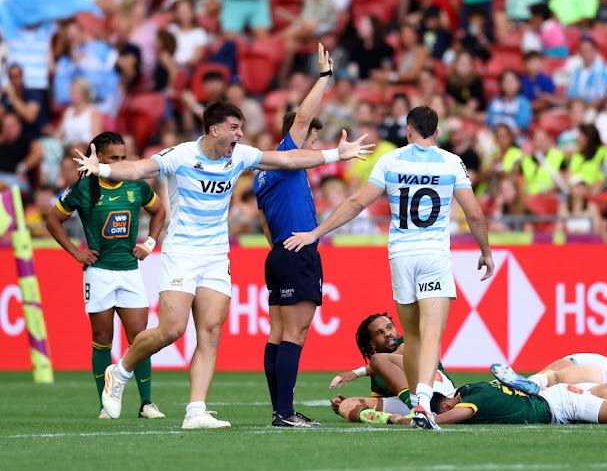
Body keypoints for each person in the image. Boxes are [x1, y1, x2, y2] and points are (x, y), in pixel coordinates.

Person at [76, 97, 373, 429]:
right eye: (234, 128)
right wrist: (100, 169)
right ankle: (119, 372)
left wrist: (337, 154)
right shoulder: (182, 155)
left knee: (211, 332)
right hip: (182, 252)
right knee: (171, 330)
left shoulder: (241, 156)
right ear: (214, 129)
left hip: (216, 254)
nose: (240, 134)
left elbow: (288, 159)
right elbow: (138, 168)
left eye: (242, 128)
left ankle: (196, 411)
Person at [283, 105, 494, 431]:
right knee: (431, 336)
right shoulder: (452, 162)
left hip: (401, 256)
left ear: (408, 130)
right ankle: (423, 406)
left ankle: (416, 403)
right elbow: (475, 215)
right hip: (434, 256)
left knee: (410, 335)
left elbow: (356, 203)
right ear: (437, 133)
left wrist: (314, 233)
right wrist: (485, 251)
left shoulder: (391, 160)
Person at [46, 132, 167, 419]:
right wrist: (77, 252)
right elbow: (53, 220)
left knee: (140, 338)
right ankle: (105, 405)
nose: (121, 163)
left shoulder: (135, 184)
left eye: (124, 157)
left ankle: (147, 403)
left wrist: (149, 243)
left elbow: (159, 211)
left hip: (130, 271)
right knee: (102, 338)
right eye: (115, 158)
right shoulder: (84, 187)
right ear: (99, 158)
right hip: (98, 273)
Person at [253, 45, 342, 428]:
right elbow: (304, 115)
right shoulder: (287, 157)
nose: (316, 147)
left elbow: (262, 220)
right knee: (296, 331)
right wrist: (324, 78)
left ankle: (280, 411)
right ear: (297, 136)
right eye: (312, 139)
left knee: (277, 332)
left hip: (277, 252)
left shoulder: (262, 173)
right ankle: (286, 414)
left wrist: (281, 242)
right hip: (297, 251)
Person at [392, 375, 607, 427]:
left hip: (562, 405)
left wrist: (407, 419)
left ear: (447, 404)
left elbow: (435, 420)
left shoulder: (469, 403)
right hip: (552, 403)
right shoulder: (471, 386)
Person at [328, 312, 456, 423]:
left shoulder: (409, 341)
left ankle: (418, 409)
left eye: (389, 327)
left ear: (397, 330)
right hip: (408, 403)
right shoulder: (376, 372)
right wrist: (361, 407)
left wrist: (356, 373)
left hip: (438, 391)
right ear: (372, 343)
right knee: (346, 405)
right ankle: (390, 419)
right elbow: (379, 401)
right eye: (380, 333)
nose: (388, 333)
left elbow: (387, 360)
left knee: (378, 360)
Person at [2, 64, 48, 140]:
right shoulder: (6, 96)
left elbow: (30, 116)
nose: (15, 80)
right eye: (12, 77)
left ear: (22, 76)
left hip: (34, 137)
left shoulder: (32, 93)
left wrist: (13, 96)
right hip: (12, 139)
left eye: (17, 76)